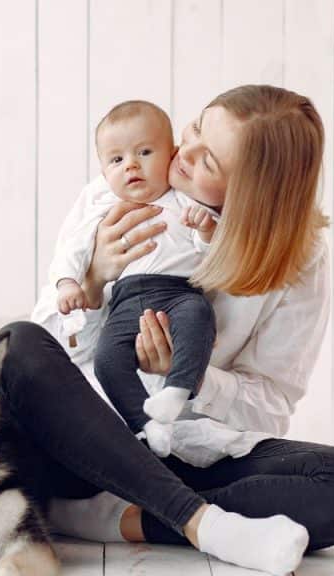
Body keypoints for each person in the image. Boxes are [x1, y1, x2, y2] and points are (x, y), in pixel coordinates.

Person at [0, 85, 334, 576]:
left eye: (209, 163)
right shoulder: (118, 191)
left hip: (184, 449)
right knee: (17, 344)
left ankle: (119, 517)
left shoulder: (300, 260)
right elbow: (46, 359)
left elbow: (271, 404)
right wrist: (94, 283)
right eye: (197, 127)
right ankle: (200, 520)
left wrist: (194, 378)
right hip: (83, 445)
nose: (181, 154)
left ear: (249, 196)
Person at [44, 99, 221, 458]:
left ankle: (176, 390)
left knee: (199, 318)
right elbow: (72, 249)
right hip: (124, 300)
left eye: (144, 152)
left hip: (179, 292)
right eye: (116, 160)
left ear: (171, 153)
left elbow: (209, 256)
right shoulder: (98, 204)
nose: (132, 166)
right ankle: (146, 425)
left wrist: (204, 233)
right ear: (103, 170)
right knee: (109, 359)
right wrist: (70, 282)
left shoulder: (183, 198)